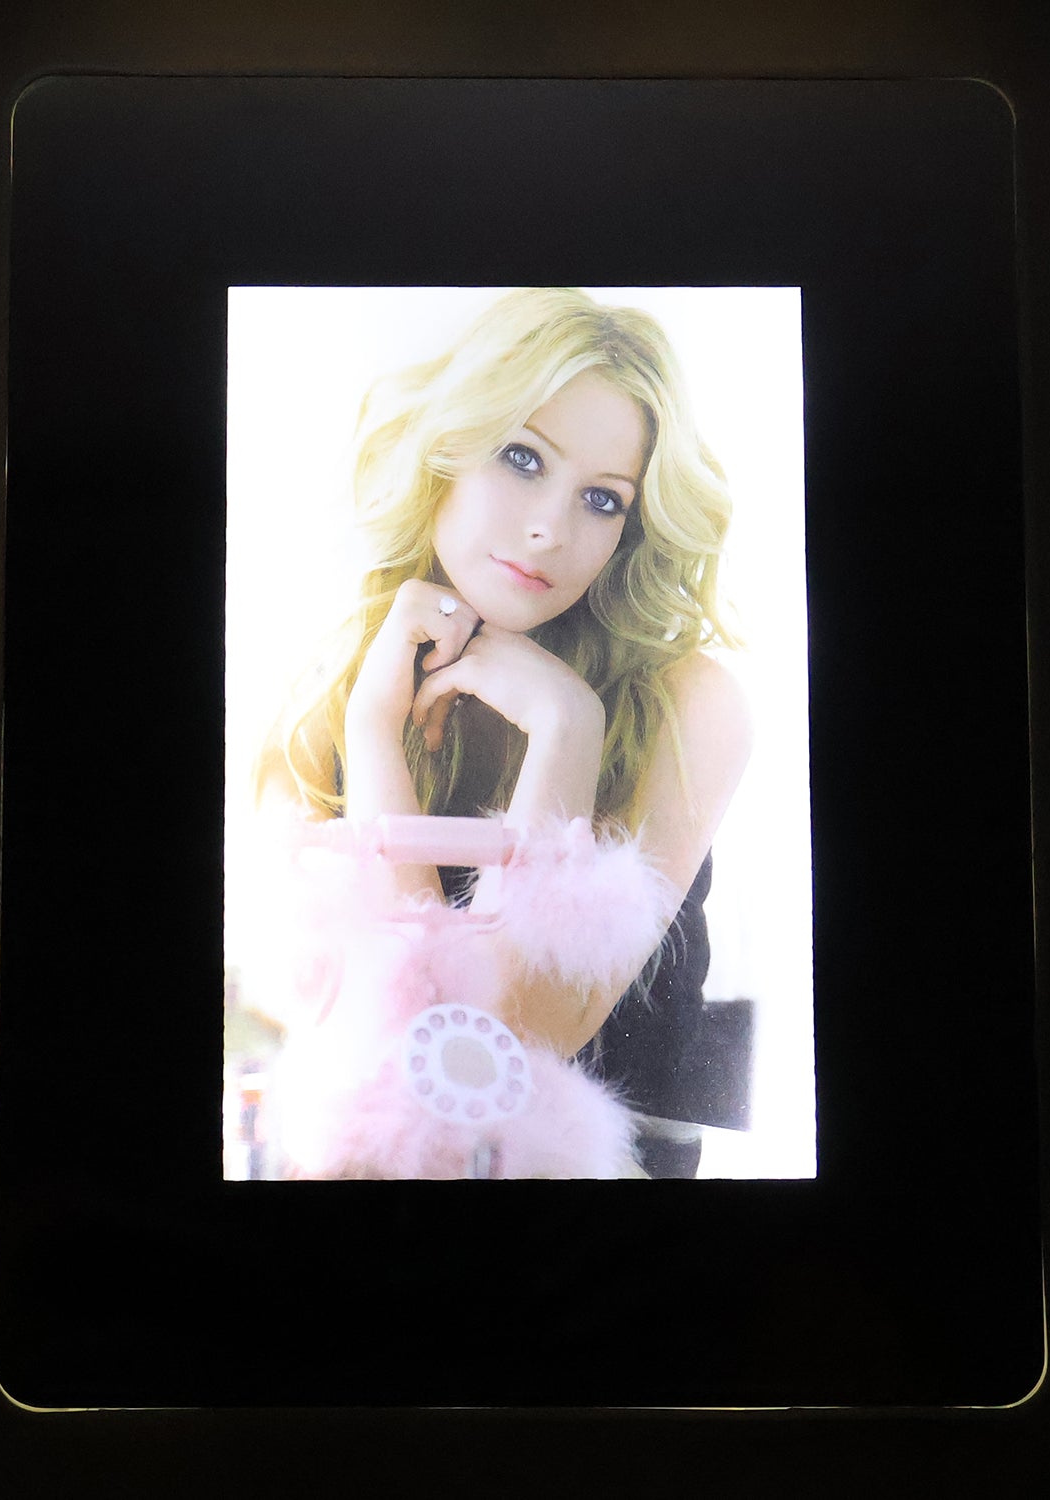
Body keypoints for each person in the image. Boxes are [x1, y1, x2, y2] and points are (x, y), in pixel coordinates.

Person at [249, 287, 753, 1175]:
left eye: (602, 500)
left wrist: (568, 729)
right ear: (447, 449)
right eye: (522, 458)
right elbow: (395, 1033)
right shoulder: (325, 695)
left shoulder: (688, 702)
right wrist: (374, 737)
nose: (549, 528)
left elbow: (514, 1034)